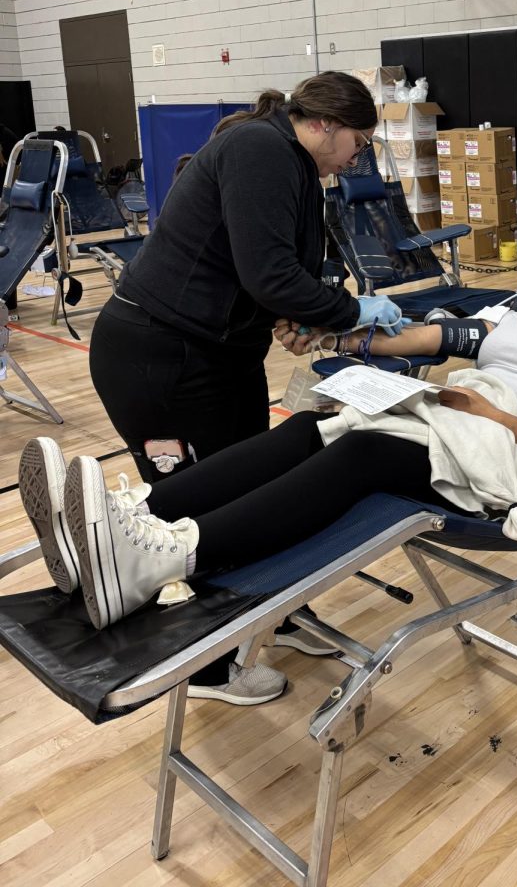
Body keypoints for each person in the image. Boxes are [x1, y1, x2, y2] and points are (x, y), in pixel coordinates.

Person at [20, 224, 517, 639]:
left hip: (494, 456)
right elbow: (421, 337)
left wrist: (495, 418)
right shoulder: (506, 317)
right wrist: (333, 334)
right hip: (442, 418)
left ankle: (166, 557)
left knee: (363, 449)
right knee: (311, 428)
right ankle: (125, 519)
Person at [85, 71, 407, 701]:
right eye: (359, 142)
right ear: (324, 125)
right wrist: (348, 312)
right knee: (195, 507)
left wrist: (301, 318)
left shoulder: (290, 165)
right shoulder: (261, 149)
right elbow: (271, 276)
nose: (357, 157)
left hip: (218, 356)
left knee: (255, 488)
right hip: (161, 356)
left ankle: (269, 612)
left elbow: (266, 272)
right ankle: (202, 668)